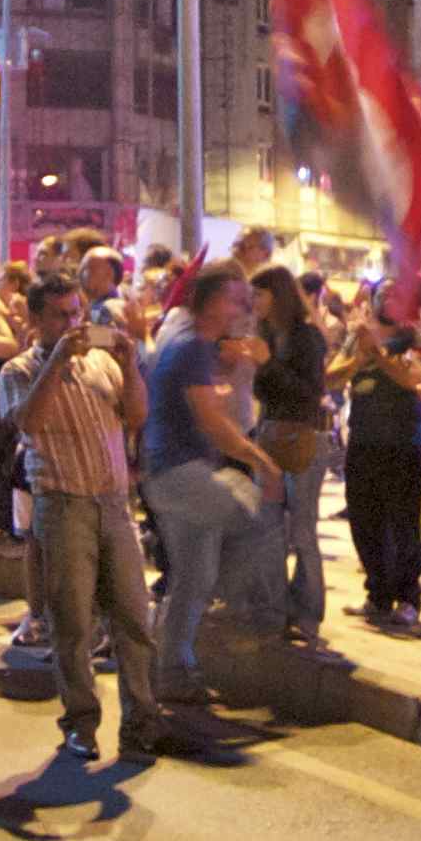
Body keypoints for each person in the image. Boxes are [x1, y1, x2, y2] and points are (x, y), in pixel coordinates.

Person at [7, 268, 208, 763]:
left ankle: (142, 723)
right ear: (36, 320)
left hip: (114, 503)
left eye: (77, 313)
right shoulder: (19, 370)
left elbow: (136, 415)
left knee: (134, 620)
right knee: (73, 625)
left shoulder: (101, 362)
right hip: (63, 504)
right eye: (60, 316)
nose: (72, 324)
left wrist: (130, 364)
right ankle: (80, 723)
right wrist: (57, 359)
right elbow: (28, 422)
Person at [140, 265, 276, 713]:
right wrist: (260, 460)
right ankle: (242, 615)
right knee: (259, 516)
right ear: (213, 301)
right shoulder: (191, 345)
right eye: (235, 299)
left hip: (169, 474)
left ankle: (171, 672)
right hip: (179, 474)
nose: (242, 308)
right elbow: (212, 421)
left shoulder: (190, 343)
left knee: (193, 578)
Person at [336, 296, 421, 631]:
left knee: (403, 524)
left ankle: (408, 598)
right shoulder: (357, 338)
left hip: (405, 444)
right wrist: (358, 357)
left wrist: (376, 353)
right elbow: (330, 376)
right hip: (363, 441)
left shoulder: (416, 340)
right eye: (385, 293)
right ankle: (377, 594)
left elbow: (414, 381)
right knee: (364, 520)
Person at [251, 263, 336, 640]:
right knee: (268, 528)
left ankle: (308, 612)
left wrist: (267, 364)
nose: (253, 301)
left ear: (278, 295)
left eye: (259, 294)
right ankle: (275, 609)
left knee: (302, 530)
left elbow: (309, 393)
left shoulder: (306, 337)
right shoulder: (265, 333)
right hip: (269, 437)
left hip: (302, 439)